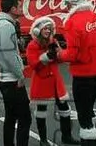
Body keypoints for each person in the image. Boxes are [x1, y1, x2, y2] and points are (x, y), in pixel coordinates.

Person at [56, 0, 96, 146]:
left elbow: (73, 54)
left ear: (71, 1)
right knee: (89, 111)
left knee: (84, 118)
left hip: (83, 75)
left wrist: (59, 54)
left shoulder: (72, 22)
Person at [26, 16, 79, 146]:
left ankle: (67, 137)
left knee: (65, 109)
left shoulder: (53, 41)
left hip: (56, 82)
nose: (48, 31)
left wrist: (58, 53)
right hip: (42, 83)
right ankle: (43, 140)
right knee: (41, 110)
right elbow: (34, 65)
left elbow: (61, 59)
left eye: (50, 28)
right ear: (38, 30)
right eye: (45, 28)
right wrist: (46, 57)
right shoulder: (32, 45)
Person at [0, 0, 32, 146]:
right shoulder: (7, 26)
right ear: (13, 8)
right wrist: (20, 75)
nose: (21, 9)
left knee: (11, 116)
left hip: (4, 78)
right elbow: (9, 55)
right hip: (11, 79)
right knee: (25, 118)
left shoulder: (0, 24)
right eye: (20, 6)